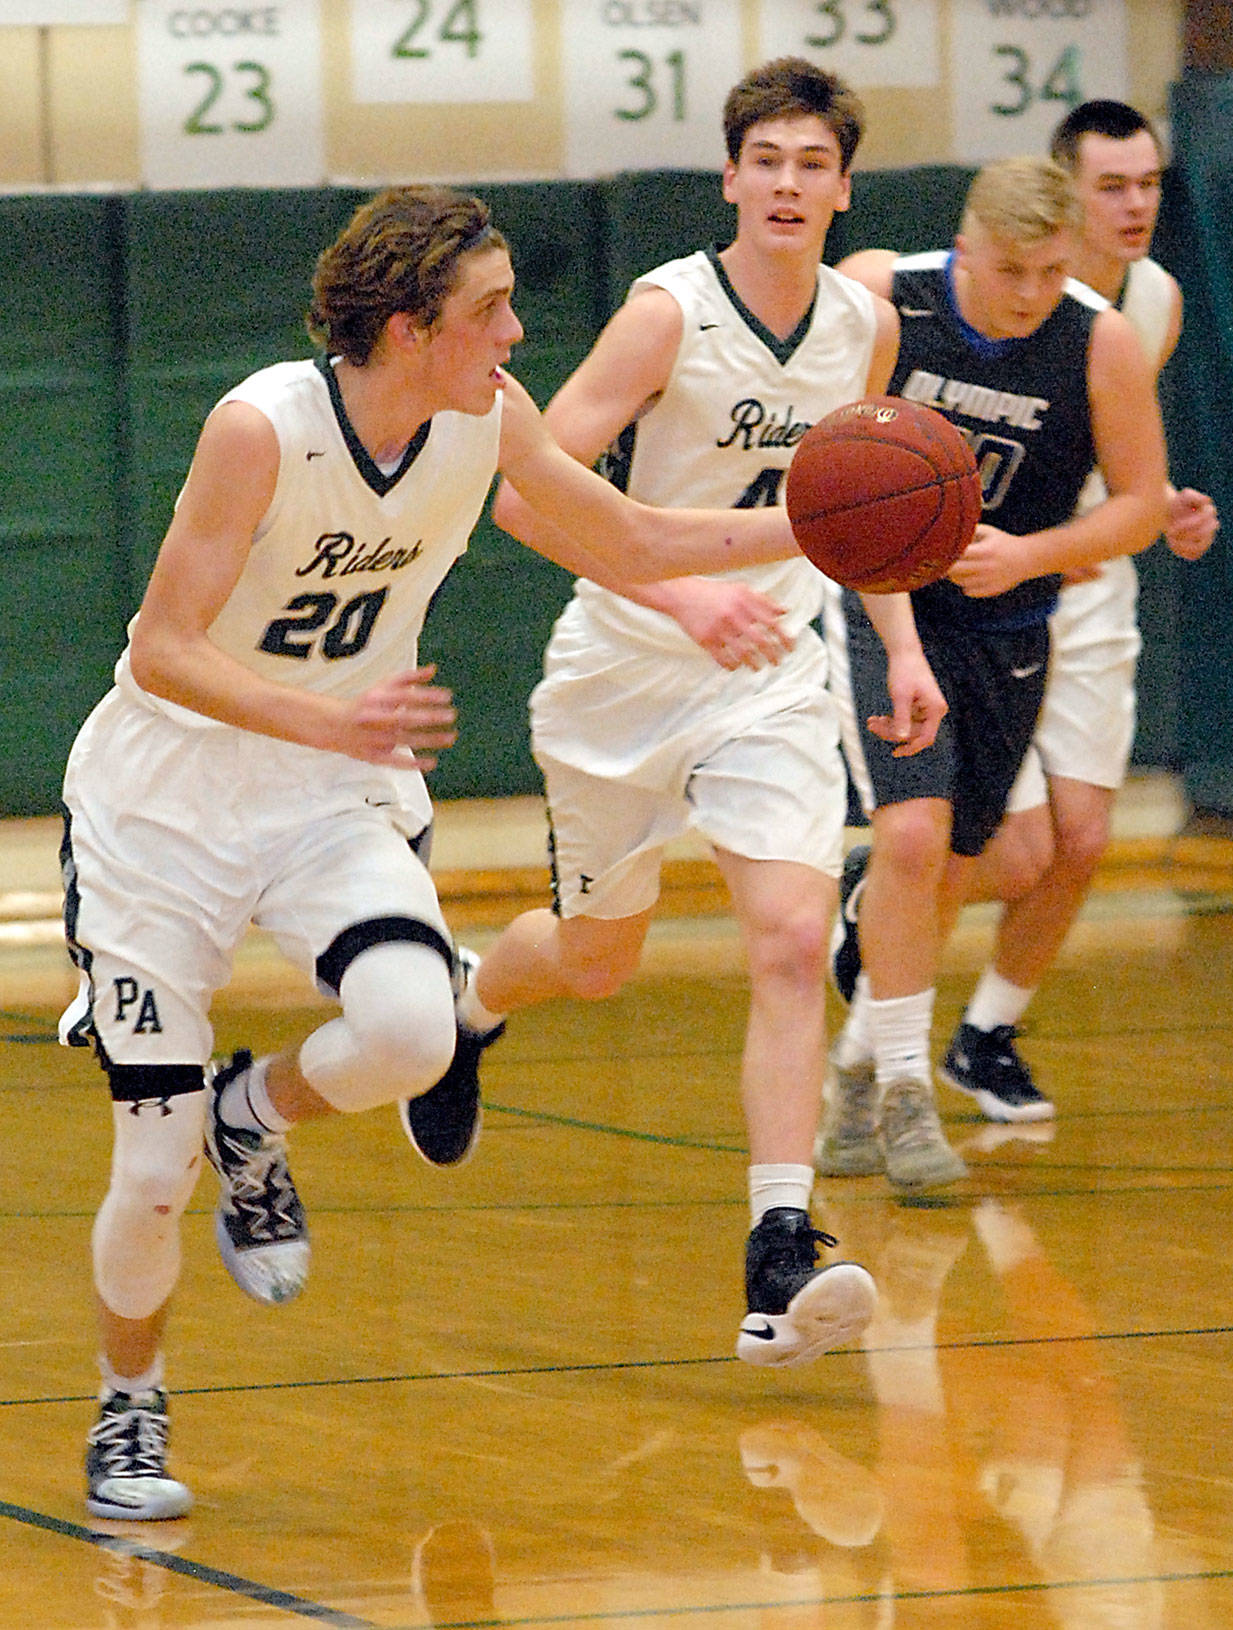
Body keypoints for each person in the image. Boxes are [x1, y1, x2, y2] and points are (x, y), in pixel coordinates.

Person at [60, 182, 814, 1522]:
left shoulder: (486, 421)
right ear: (409, 329)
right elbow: (161, 650)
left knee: (415, 1031)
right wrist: (332, 714)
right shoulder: (262, 430)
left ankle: (259, 1114)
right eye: (491, 312)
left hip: (324, 794)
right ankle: (131, 1404)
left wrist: (832, 525)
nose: (518, 335)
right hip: (163, 807)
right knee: (146, 1160)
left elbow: (630, 535)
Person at [402, 58, 944, 1371]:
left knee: (787, 934)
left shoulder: (862, 331)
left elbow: (862, 518)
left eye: (812, 164)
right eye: (766, 159)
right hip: (627, 667)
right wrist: (679, 589)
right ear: (731, 177)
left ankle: (777, 1242)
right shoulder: (666, 314)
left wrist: (902, 642)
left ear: (841, 189)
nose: (787, 184)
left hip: (774, 674)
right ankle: (470, 1006)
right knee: (598, 957)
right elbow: (527, 496)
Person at [814, 155, 1168, 1187]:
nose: (1028, 294)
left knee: (958, 862)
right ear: (964, 247)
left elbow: (1138, 502)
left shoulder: (1096, 338)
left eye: (1049, 271)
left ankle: (852, 1069)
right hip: (882, 603)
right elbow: (823, 443)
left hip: (1009, 621)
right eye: (1009, 269)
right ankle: (904, 1095)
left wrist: (1028, 552)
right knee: (914, 836)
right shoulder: (888, 297)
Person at [936, 101, 1218, 1122]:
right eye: (1112, 186)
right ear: (1062, 193)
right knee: (1008, 852)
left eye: (1146, 184)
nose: (1135, 204)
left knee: (1085, 840)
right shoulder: (970, 289)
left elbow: (1112, 454)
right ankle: (877, 893)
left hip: (1088, 587)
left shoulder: (1153, 300)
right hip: (977, 583)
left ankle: (986, 1034)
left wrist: (1166, 505)